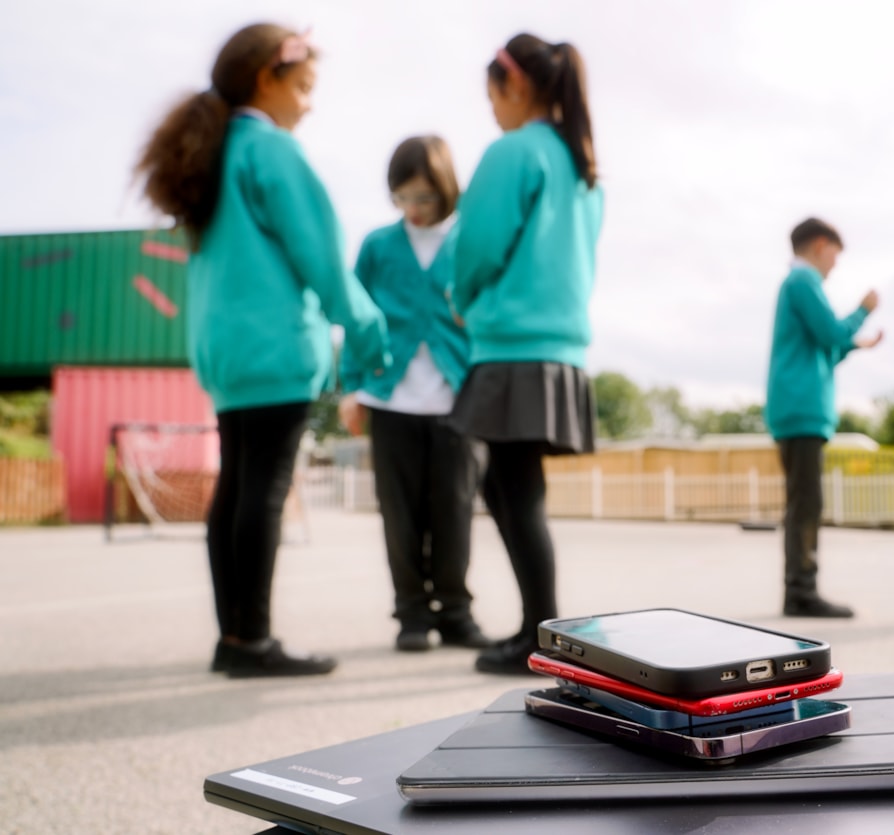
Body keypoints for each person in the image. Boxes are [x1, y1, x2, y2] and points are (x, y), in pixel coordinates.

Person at [134, 23, 391, 676]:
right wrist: (369, 332)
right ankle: (254, 642)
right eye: (303, 87)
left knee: (238, 486)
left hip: (225, 352)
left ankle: (234, 637)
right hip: (275, 348)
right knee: (264, 491)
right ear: (265, 80)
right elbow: (323, 261)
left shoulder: (213, 155)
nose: (308, 102)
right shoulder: (271, 152)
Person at [450, 33, 604, 675]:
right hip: (559, 346)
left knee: (511, 486)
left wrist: (462, 297)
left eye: (493, 97)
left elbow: (477, 245)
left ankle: (539, 634)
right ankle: (538, 629)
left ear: (514, 87)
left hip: (510, 343)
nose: (492, 111)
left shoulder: (513, 152)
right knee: (518, 485)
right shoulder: (582, 164)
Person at [337, 136, 490, 653]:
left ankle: (455, 611)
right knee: (399, 514)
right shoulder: (378, 246)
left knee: (454, 509)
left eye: (424, 198)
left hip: (458, 396)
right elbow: (357, 320)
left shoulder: (469, 239)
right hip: (388, 398)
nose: (414, 210)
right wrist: (352, 387)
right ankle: (411, 614)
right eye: (403, 199)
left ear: (447, 192)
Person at [765, 218, 882, 619]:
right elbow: (831, 333)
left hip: (796, 408)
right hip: (801, 408)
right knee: (806, 504)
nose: (835, 264)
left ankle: (800, 589)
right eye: (835, 253)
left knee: (803, 502)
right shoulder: (803, 282)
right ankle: (801, 591)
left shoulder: (796, 284)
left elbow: (826, 346)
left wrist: (852, 343)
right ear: (820, 244)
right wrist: (863, 312)